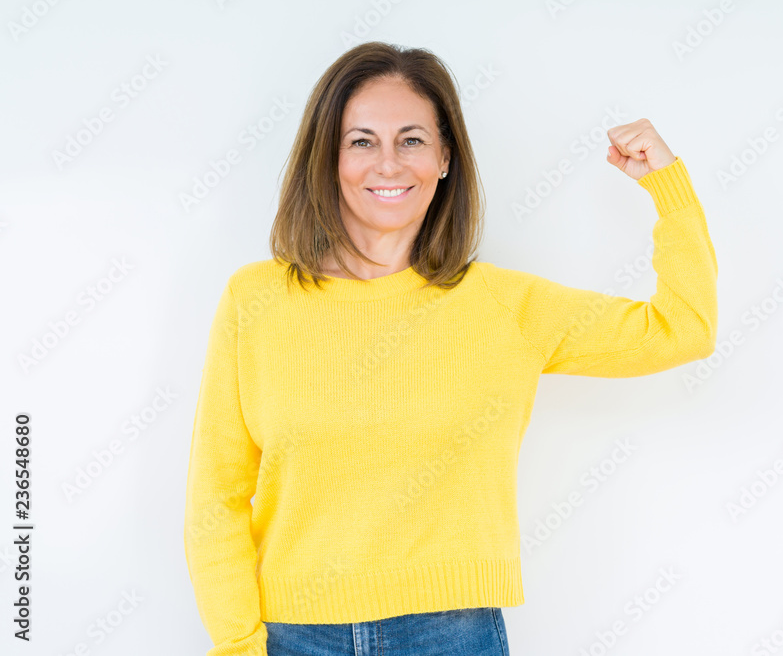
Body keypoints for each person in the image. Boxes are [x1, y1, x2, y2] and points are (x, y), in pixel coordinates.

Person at [183, 41, 718, 656]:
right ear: (327, 158)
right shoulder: (256, 300)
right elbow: (215, 495)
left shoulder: (502, 307)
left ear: (444, 159)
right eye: (361, 141)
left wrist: (667, 189)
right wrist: (237, 644)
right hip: (290, 637)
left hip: (451, 636)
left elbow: (684, 329)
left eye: (411, 140)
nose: (388, 163)